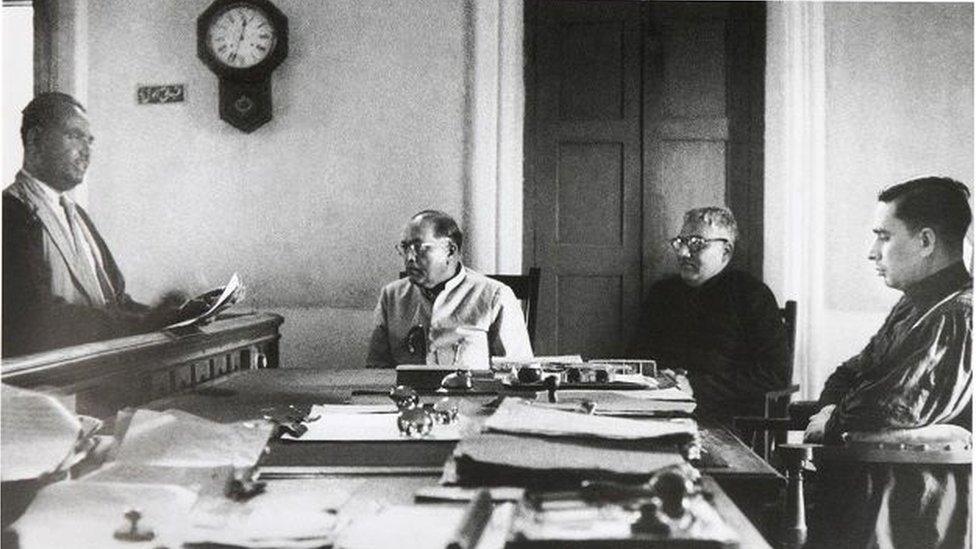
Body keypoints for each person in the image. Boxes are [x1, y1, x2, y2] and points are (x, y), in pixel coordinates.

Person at [802, 177, 972, 549]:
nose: (872, 252)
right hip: (873, 488)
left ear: (926, 241)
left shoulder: (958, 315)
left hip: (908, 508)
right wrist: (832, 407)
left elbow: (888, 408)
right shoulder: (915, 303)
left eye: (884, 236)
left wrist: (831, 418)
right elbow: (849, 372)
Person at [3, 92, 189, 357]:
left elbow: (115, 300)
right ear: (35, 140)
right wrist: (144, 323)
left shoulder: (77, 215)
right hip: (50, 386)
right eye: (74, 136)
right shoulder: (10, 213)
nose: (86, 151)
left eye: (89, 140)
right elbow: (37, 317)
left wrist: (169, 317)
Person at [631, 206, 789, 425]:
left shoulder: (751, 295)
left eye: (696, 244)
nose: (683, 253)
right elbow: (637, 356)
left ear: (726, 251)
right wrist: (658, 377)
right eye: (681, 243)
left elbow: (775, 375)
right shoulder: (662, 294)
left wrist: (695, 386)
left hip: (727, 418)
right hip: (657, 411)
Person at [366, 210, 533, 369]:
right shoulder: (391, 296)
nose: (409, 258)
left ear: (450, 250)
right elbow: (376, 370)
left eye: (419, 247)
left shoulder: (495, 296)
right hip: (409, 398)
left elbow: (517, 372)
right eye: (405, 247)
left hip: (474, 398)